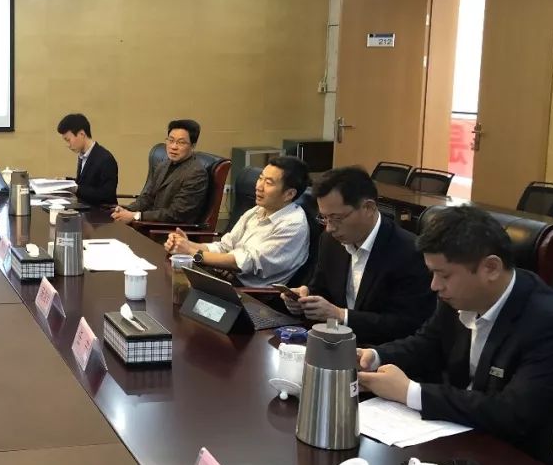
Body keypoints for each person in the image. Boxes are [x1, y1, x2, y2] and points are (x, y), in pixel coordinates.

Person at [357, 206, 553, 465]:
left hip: (515, 460)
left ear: (491, 268)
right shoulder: (459, 296)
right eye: (432, 273)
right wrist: (373, 357)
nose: (434, 286)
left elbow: (513, 413)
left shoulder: (546, 321)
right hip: (457, 437)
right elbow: (426, 344)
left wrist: (411, 392)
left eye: (444, 275)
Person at [282, 167, 434, 344]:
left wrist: (342, 315)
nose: (330, 228)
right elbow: (321, 289)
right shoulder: (330, 241)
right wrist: (304, 299)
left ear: (368, 208)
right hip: (333, 343)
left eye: (337, 218)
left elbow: (406, 324)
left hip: (381, 352)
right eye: (324, 218)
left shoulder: (409, 252)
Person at [164, 156, 310, 287]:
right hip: (225, 277)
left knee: (176, 289)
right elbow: (224, 247)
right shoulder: (257, 210)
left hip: (250, 296)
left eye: (268, 183)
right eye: (260, 178)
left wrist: (192, 252)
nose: (259, 187)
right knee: (168, 279)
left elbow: (245, 262)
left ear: (289, 194)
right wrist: (185, 244)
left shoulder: (292, 224)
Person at [111, 119, 207, 224]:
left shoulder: (196, 173)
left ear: (193, 145)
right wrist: (127, 210)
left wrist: (136, 216)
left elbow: (176, 214)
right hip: (149, 224)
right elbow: (147, 198)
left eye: (181, 142)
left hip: (170, 230)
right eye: (170, 140)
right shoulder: (163, 165)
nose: (173, 147)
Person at [57, 113, 118, 206]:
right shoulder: (83, 155)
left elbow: (107, 195)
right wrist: (67, 181)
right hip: (84, 208)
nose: (68, 145)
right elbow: (88, 182)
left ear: (82, 134)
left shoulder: (106, 159)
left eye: (68, 140)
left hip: (100, 212)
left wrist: (76, 189)